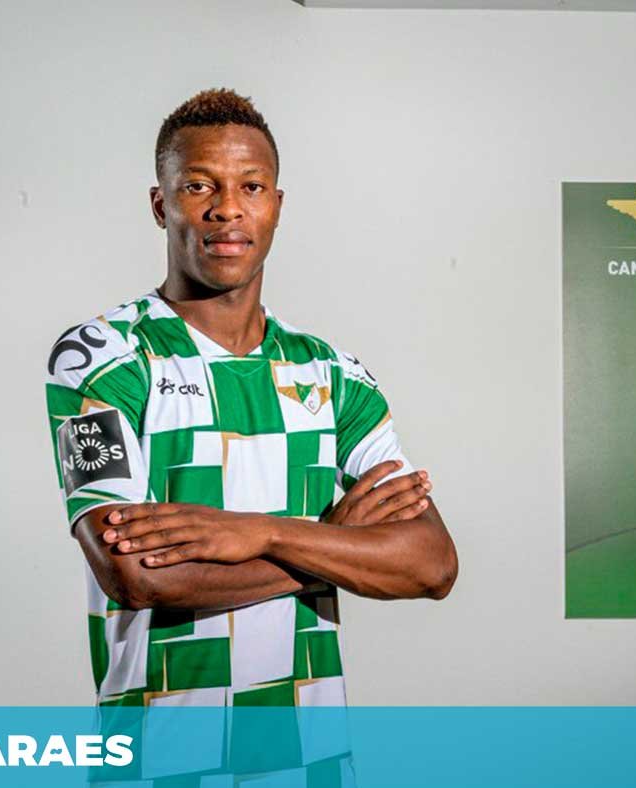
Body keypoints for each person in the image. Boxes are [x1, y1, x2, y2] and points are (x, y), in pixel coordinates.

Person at [44, 88, 458, 714]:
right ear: (160, 205)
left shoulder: (332, 374)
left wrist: (259, 533)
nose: (227, 208)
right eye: (199, 187)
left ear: (277, 207)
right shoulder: (101, 357)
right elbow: (135, 577)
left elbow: (430, 565)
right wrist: (329, 542)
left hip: (309, 750)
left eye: (252, 187)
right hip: (162, 747)